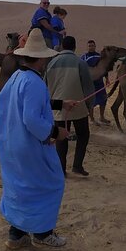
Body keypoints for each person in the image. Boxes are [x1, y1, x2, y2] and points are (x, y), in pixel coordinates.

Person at [0, 28, 74, 249]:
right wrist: (55, 133)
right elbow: (31, 118)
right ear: (41, 58)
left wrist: (60, 104)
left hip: (11, 145)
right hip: (29, 147)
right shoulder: (34, 82)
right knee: (50, 184)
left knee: (22, 187)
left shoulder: (16, 78)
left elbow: (24, 104)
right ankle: (42, 233)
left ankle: (16, 234)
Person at [45, 35, 95, 177]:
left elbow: (45, 85)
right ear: (74, 47)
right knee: (83, 135)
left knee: (60, 138)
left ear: (61, 46)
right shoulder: (80, 63)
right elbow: (88, 87)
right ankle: (77, 166)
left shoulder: (51, 63)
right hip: (78, 107)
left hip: (58, 107)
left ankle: (61, 169)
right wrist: (90, 105)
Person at [81, 39, 110, 125]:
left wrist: (107, 78)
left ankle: (102, 117)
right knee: (91, 101)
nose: (91, 47)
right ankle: (92, 119)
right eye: (89, 46)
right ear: (87, 47)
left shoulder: (100, 56)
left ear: (95, 46)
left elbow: (104, 68)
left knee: (104, 98)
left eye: (92, 46)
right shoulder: (84, 57)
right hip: (90, 83)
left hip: (100, 82)